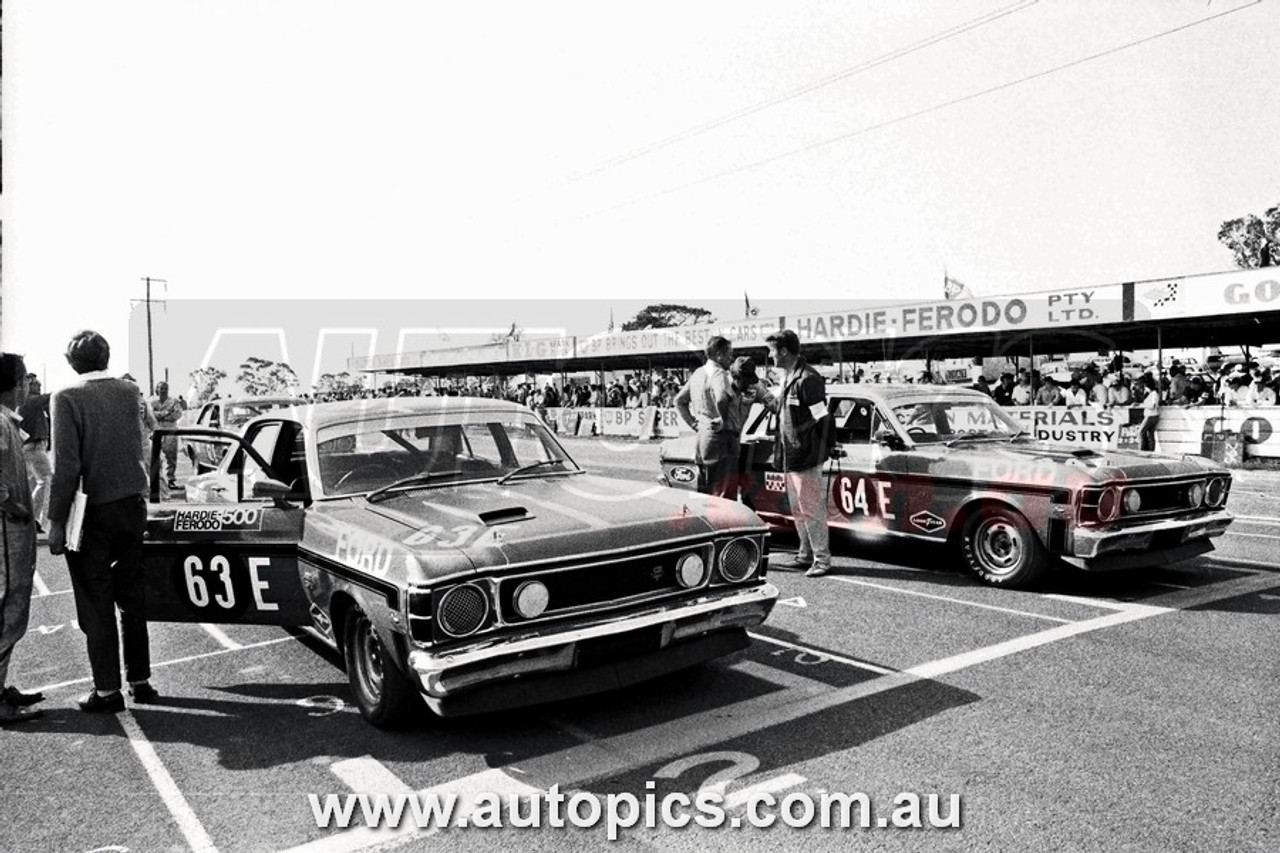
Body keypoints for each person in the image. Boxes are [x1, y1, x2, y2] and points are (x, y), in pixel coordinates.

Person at [48, 331, 159, 713]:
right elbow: (141, 443)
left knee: (96, 602)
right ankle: (140, 679)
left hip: (91, 512)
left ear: (71, 362)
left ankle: (107, 689)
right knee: (132, 596)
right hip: (131, 506)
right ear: (106, 356)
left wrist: (56, 521)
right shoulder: (130, 393)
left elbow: (66, 467)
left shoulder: (66, 398)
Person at [762, 329, 832, 578]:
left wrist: (826, 449)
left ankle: (822, 559)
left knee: (811, 508)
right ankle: (805, 554)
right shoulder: (788, 377)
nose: (770, 357)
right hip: (790, 454)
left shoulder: (808, 379)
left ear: (783, 351)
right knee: (798, 508)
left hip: (806, 455)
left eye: (771, 351)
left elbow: (823, 418)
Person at [0, 354, 45, 724]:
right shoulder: (0, 422)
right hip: (6, 534)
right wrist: (12, 503)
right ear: (14, 384)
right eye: (24, 379)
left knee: (12, 611)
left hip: (15, 530)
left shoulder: (7, 421)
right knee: (7, 613)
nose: (28, 385)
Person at [675, 336, 737, 499]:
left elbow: (679, 401)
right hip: (719, 439)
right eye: (729, 354)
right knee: (723, 493)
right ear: (719, 355)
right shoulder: (718, 373)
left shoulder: (698, 373)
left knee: (704, 491)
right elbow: (722, 398)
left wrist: (693, 424)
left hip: (702, 437)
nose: (732, 359)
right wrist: (723, 420)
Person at [17, 374, 52, 536]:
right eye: (35, 383)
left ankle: (27, 518)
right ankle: (33, 518)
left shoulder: (27, 402)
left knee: (32, 484)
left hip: (30, 447)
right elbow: (52, 396)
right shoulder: (31, 400)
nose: (38, 385)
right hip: (33, 447)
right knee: (46, 479)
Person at [149, 381, 184, 489]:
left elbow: (177, 414)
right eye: (161, 388)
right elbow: (150, 415)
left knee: (171, 456)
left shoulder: (173, 401)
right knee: (154, 457)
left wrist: (161, 415)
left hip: (170, 431)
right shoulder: (151, 401)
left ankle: (170, 479)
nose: (163, 390)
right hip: (155, 431)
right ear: (157, 389)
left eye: (165, 388)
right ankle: (157, 481)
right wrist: (166, 413)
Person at [1138, 374, 1161, 452]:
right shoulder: (1152, 394)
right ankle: (1151, 450)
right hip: (1153, 415)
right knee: (1150, 434)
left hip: (1151, 415)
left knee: (1140, 432)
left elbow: (1153, 406)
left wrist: (1144, 405)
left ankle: (1141, 450)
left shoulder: (1153, 394)